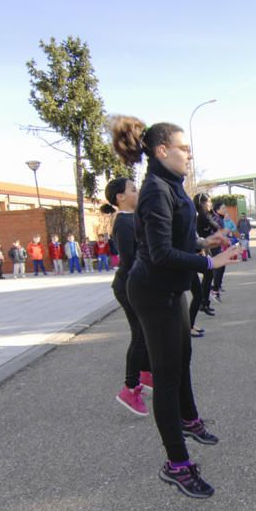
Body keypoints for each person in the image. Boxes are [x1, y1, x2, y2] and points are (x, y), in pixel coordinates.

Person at [110, 115, 240, 498]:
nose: (189, 154)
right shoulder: (154, 190)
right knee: (165, 380)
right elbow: (162, 253)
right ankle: (177, 465)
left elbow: (175, 240)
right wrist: (209, 263)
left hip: (169, 289)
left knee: (182, 359)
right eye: (183, 148)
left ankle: (189, 419)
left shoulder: (171, 185)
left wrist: (206, 243)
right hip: (153, 291)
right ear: (162, 150)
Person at [100, 177, 151, 416]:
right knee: (140, 334)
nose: (137, 191)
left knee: (145, 332)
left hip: (137, 282)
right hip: (129, 285)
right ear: (120, 197)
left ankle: (146, 372)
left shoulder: (135, 217)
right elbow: (130, 260)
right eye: (133, 189)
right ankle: (130, 388)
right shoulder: (122, 222)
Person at [195, 193, 220, 316]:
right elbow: (216, 226)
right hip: (199, 250)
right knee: (208, 274)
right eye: (209, 201)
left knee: (208, 274)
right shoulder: (203, 215)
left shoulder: (203, 215)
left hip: (203, 248)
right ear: (202, 203)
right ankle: (203, 302)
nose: (210, 204)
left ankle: (203, 302)